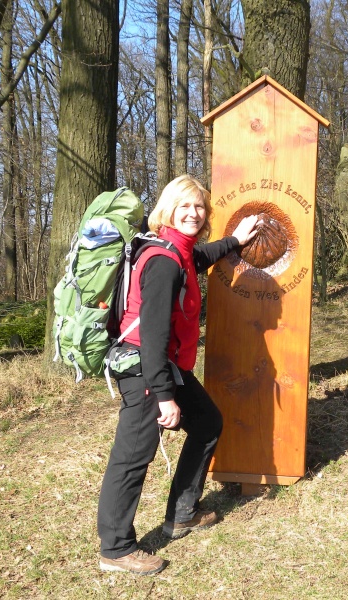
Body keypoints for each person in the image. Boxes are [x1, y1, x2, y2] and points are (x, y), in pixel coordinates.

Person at [97, 174, 261, 575]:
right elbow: (153, 336)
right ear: (167, 210)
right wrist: (165, 395)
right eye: (184, 206)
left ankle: (182, 514)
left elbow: (197, 258)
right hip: (145, 369)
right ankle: (116, 549)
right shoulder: (163, 262)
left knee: (206, 423)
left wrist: (234, 241)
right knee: (132, 458)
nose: (193, 213)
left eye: (199, 206)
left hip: (164, 365)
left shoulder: (176, 250)